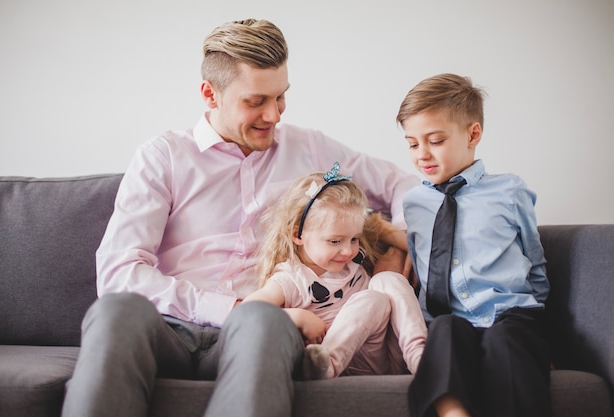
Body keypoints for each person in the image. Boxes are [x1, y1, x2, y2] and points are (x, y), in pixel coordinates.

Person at [61, 18, 421, 417]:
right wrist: (231, 308)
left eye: (281, 97)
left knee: (263, 321)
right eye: (256, 101)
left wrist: (394, 243)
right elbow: (118, 273)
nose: (274, 115)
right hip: (170, 328)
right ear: (210, 95)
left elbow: (404, 186)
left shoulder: (309, 148)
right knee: (117, 310)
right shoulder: (163, 156)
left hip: (263, 329)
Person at [396, 73, 551, 417]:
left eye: (434, 140)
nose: (422, 154)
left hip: (508, 311)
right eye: (412, 143)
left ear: (473, 134)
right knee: (445, 332)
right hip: (448, 317)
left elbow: (535, 262)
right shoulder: (414, 203)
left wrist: (537, 319)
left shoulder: (509, 190)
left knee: (506, 341)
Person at [243, 163, 427, 380]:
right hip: (353, 362)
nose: (348, 250)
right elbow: (247, 312)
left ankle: (421, 356)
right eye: (335, 241)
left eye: (354, 239)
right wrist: (294, 316)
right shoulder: (291, 279)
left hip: (394, 352)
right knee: (372, 299)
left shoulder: (354, 258)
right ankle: (327, 363)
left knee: (386, 279)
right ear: (298, 235)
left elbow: (413, 243)